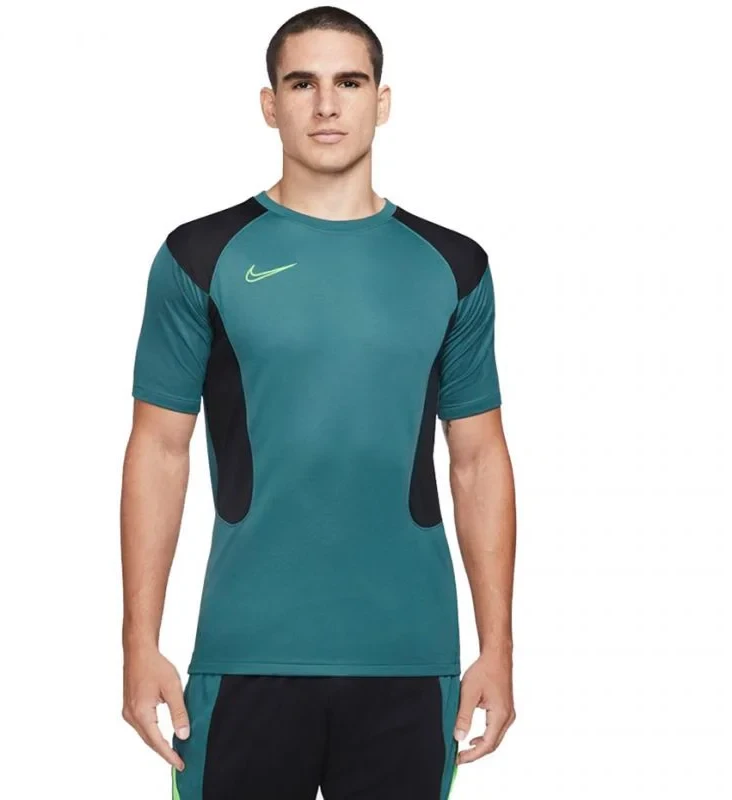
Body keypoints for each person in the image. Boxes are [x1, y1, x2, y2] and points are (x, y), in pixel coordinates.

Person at [121, 5, 516, 798]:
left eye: (350, 82)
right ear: (271, 104)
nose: (327, 104)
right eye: (302, 83)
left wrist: (497, 649)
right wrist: (139, 642)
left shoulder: (453, 265)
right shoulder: (199, 255)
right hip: (245, 655)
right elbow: (158, 450)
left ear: (382, 100)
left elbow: (478, 460)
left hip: (409, 659)